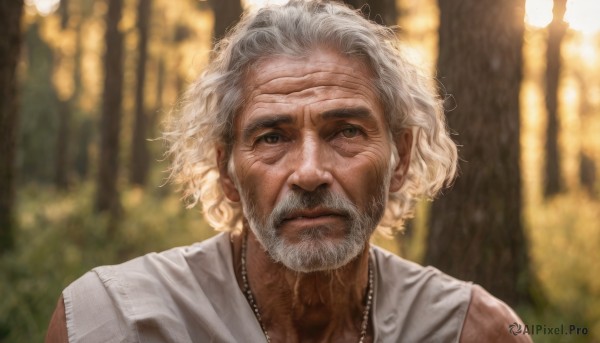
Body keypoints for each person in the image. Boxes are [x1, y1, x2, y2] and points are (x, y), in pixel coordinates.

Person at [46, 1, 532, 342]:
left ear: (400, 159)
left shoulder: (474, 331)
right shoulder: (117, 322)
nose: (309, 172)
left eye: (345, 131)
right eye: (272, 137)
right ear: (227, 172)